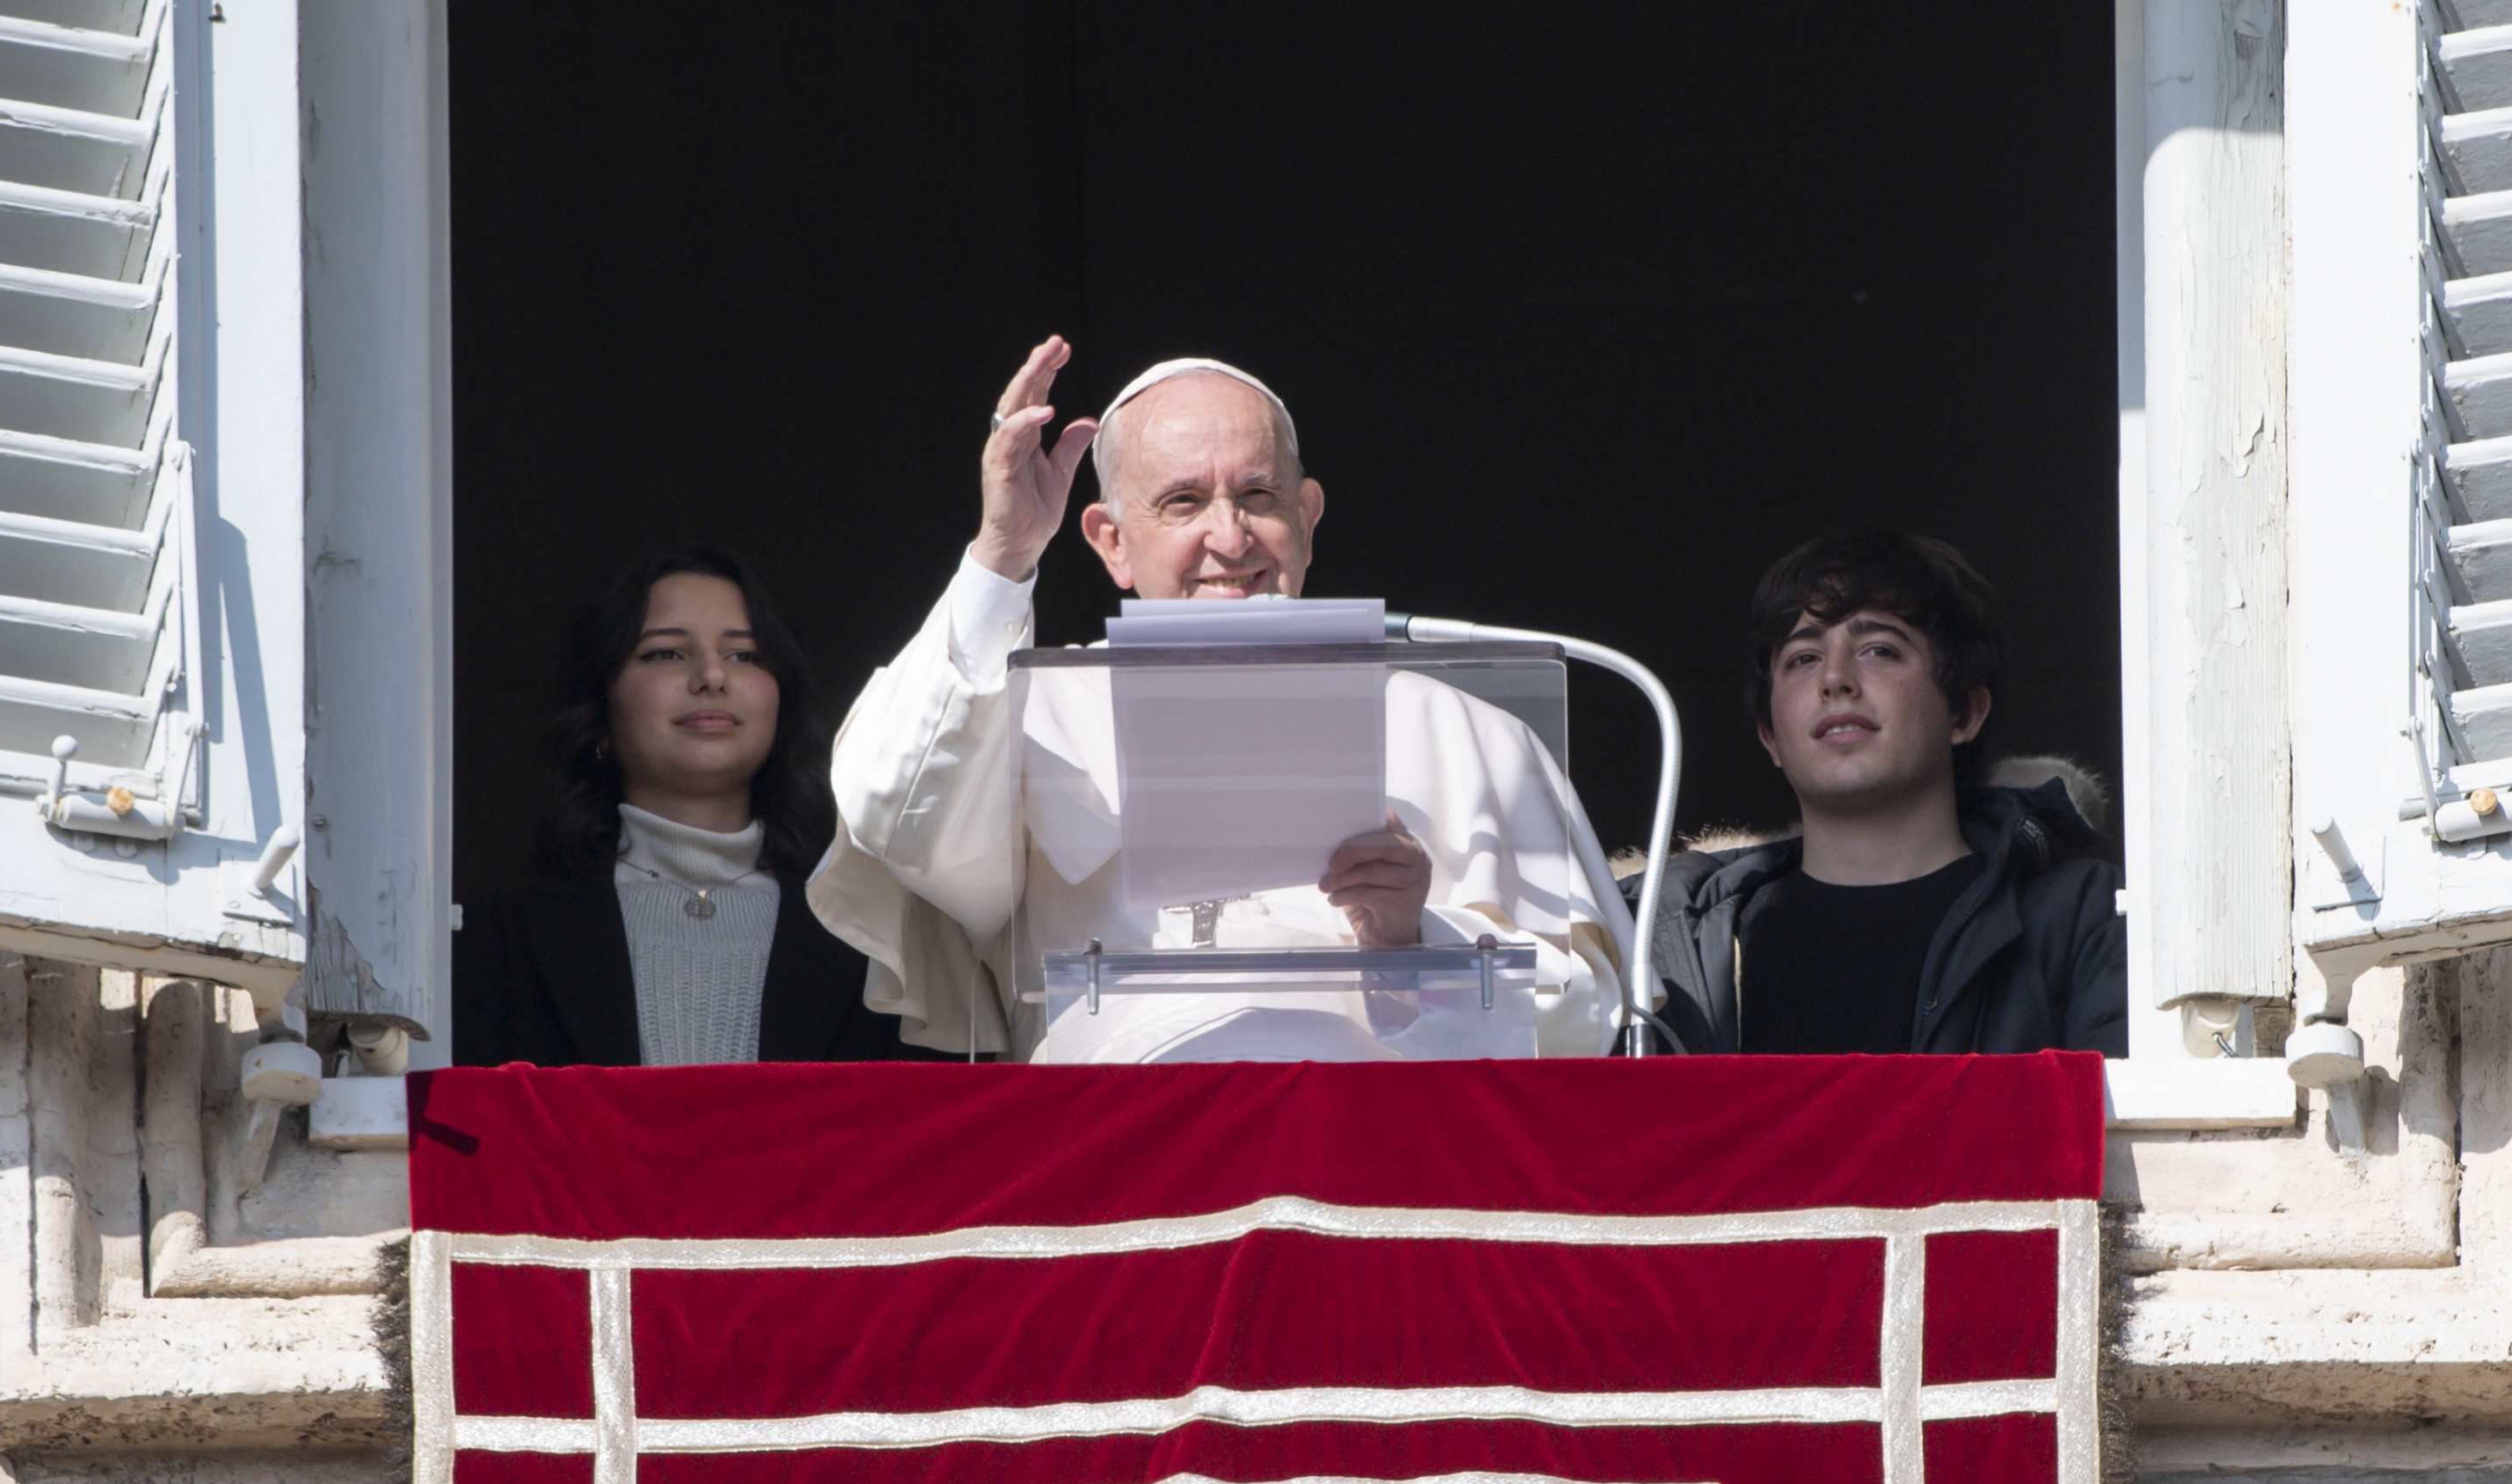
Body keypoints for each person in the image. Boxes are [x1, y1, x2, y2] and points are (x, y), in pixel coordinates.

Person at [807, 337, 1632, 1061]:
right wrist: (1001, 559)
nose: (1231, 538)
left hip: (1374, 1154)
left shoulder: (1467, 731)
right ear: (1110, 541)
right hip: (1121, 1159)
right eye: (1183, 502)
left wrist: (1416, 942)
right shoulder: (1033, 708)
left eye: (1260, 497)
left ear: (1307, 518)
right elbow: (899, 817)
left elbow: (1591, 1018)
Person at [1635, 527, 2125, 1057]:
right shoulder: (1658, 941)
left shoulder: (2085, 917)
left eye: (1879, 650)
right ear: (1770, 736)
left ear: (1963, 712)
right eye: (1803, 658)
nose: (1835, 679)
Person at [454, 548, 926, 1066]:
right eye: (666, 653)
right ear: (599, 711)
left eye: (745, 655)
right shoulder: (494, 945)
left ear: (780, 704)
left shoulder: (871, 944)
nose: (711, 677)